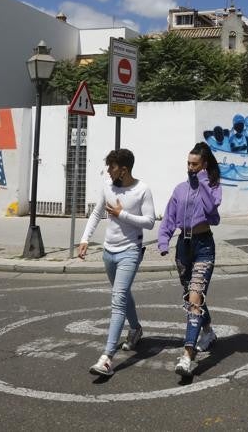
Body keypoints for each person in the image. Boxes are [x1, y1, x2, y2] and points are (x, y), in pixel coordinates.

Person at [77, 148, 155, 378]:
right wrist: (84, 239)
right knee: (122, 293)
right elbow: (96, 213)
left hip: (130, 250)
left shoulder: (142, 190)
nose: (108, 171)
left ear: (124, 169)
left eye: (112, 167)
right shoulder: (107, 186)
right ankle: (136, 329)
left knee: (118, 299)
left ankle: (107, 358)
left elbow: (150, 222)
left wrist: (123, 215)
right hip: (108, 251)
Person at [157, 142, 222, 378]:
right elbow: (169, 217)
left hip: (204, 245)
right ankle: (208, 331)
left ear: (204, 165)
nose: (190, 168)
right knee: (191, 296)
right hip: (183, 247)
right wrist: (163, 240)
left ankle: (187, 356)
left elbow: (210, 208)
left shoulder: (212, 186)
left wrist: (203, 180)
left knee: (195, 298)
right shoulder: (180, 189)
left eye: (195, 164)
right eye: (188, 163)